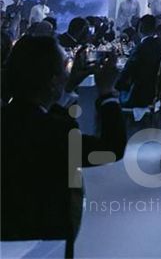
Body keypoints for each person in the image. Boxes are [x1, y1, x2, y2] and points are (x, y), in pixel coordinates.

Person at [1, 36, 126, 257]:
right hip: (44, 243)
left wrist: (67, 87)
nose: (68, 73)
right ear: (52, 80)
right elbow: (111, 149)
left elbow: (34, 119)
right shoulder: (57, 131)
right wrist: (106, 92)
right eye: (64, 69)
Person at [116, 15, 161, 109]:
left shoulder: (141, 48)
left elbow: (128, 71)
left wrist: (117, 87)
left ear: (140, 27)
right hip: (155, 92)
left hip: (138, 94)